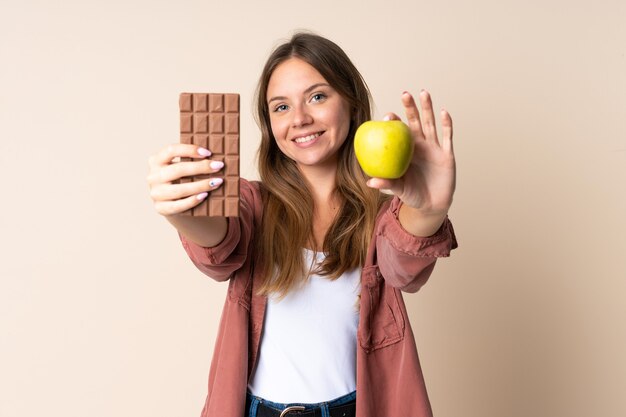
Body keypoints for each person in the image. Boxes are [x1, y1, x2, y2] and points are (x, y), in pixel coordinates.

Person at [147, 32, 458, 417]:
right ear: (270, 126)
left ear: (351, 103)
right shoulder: (252, 204)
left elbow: (405, 269)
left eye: (317, 96)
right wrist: (183, 210)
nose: (299, 119)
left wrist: (428, 210)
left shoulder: (382, 218)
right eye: (280, 107)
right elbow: (218, 248)